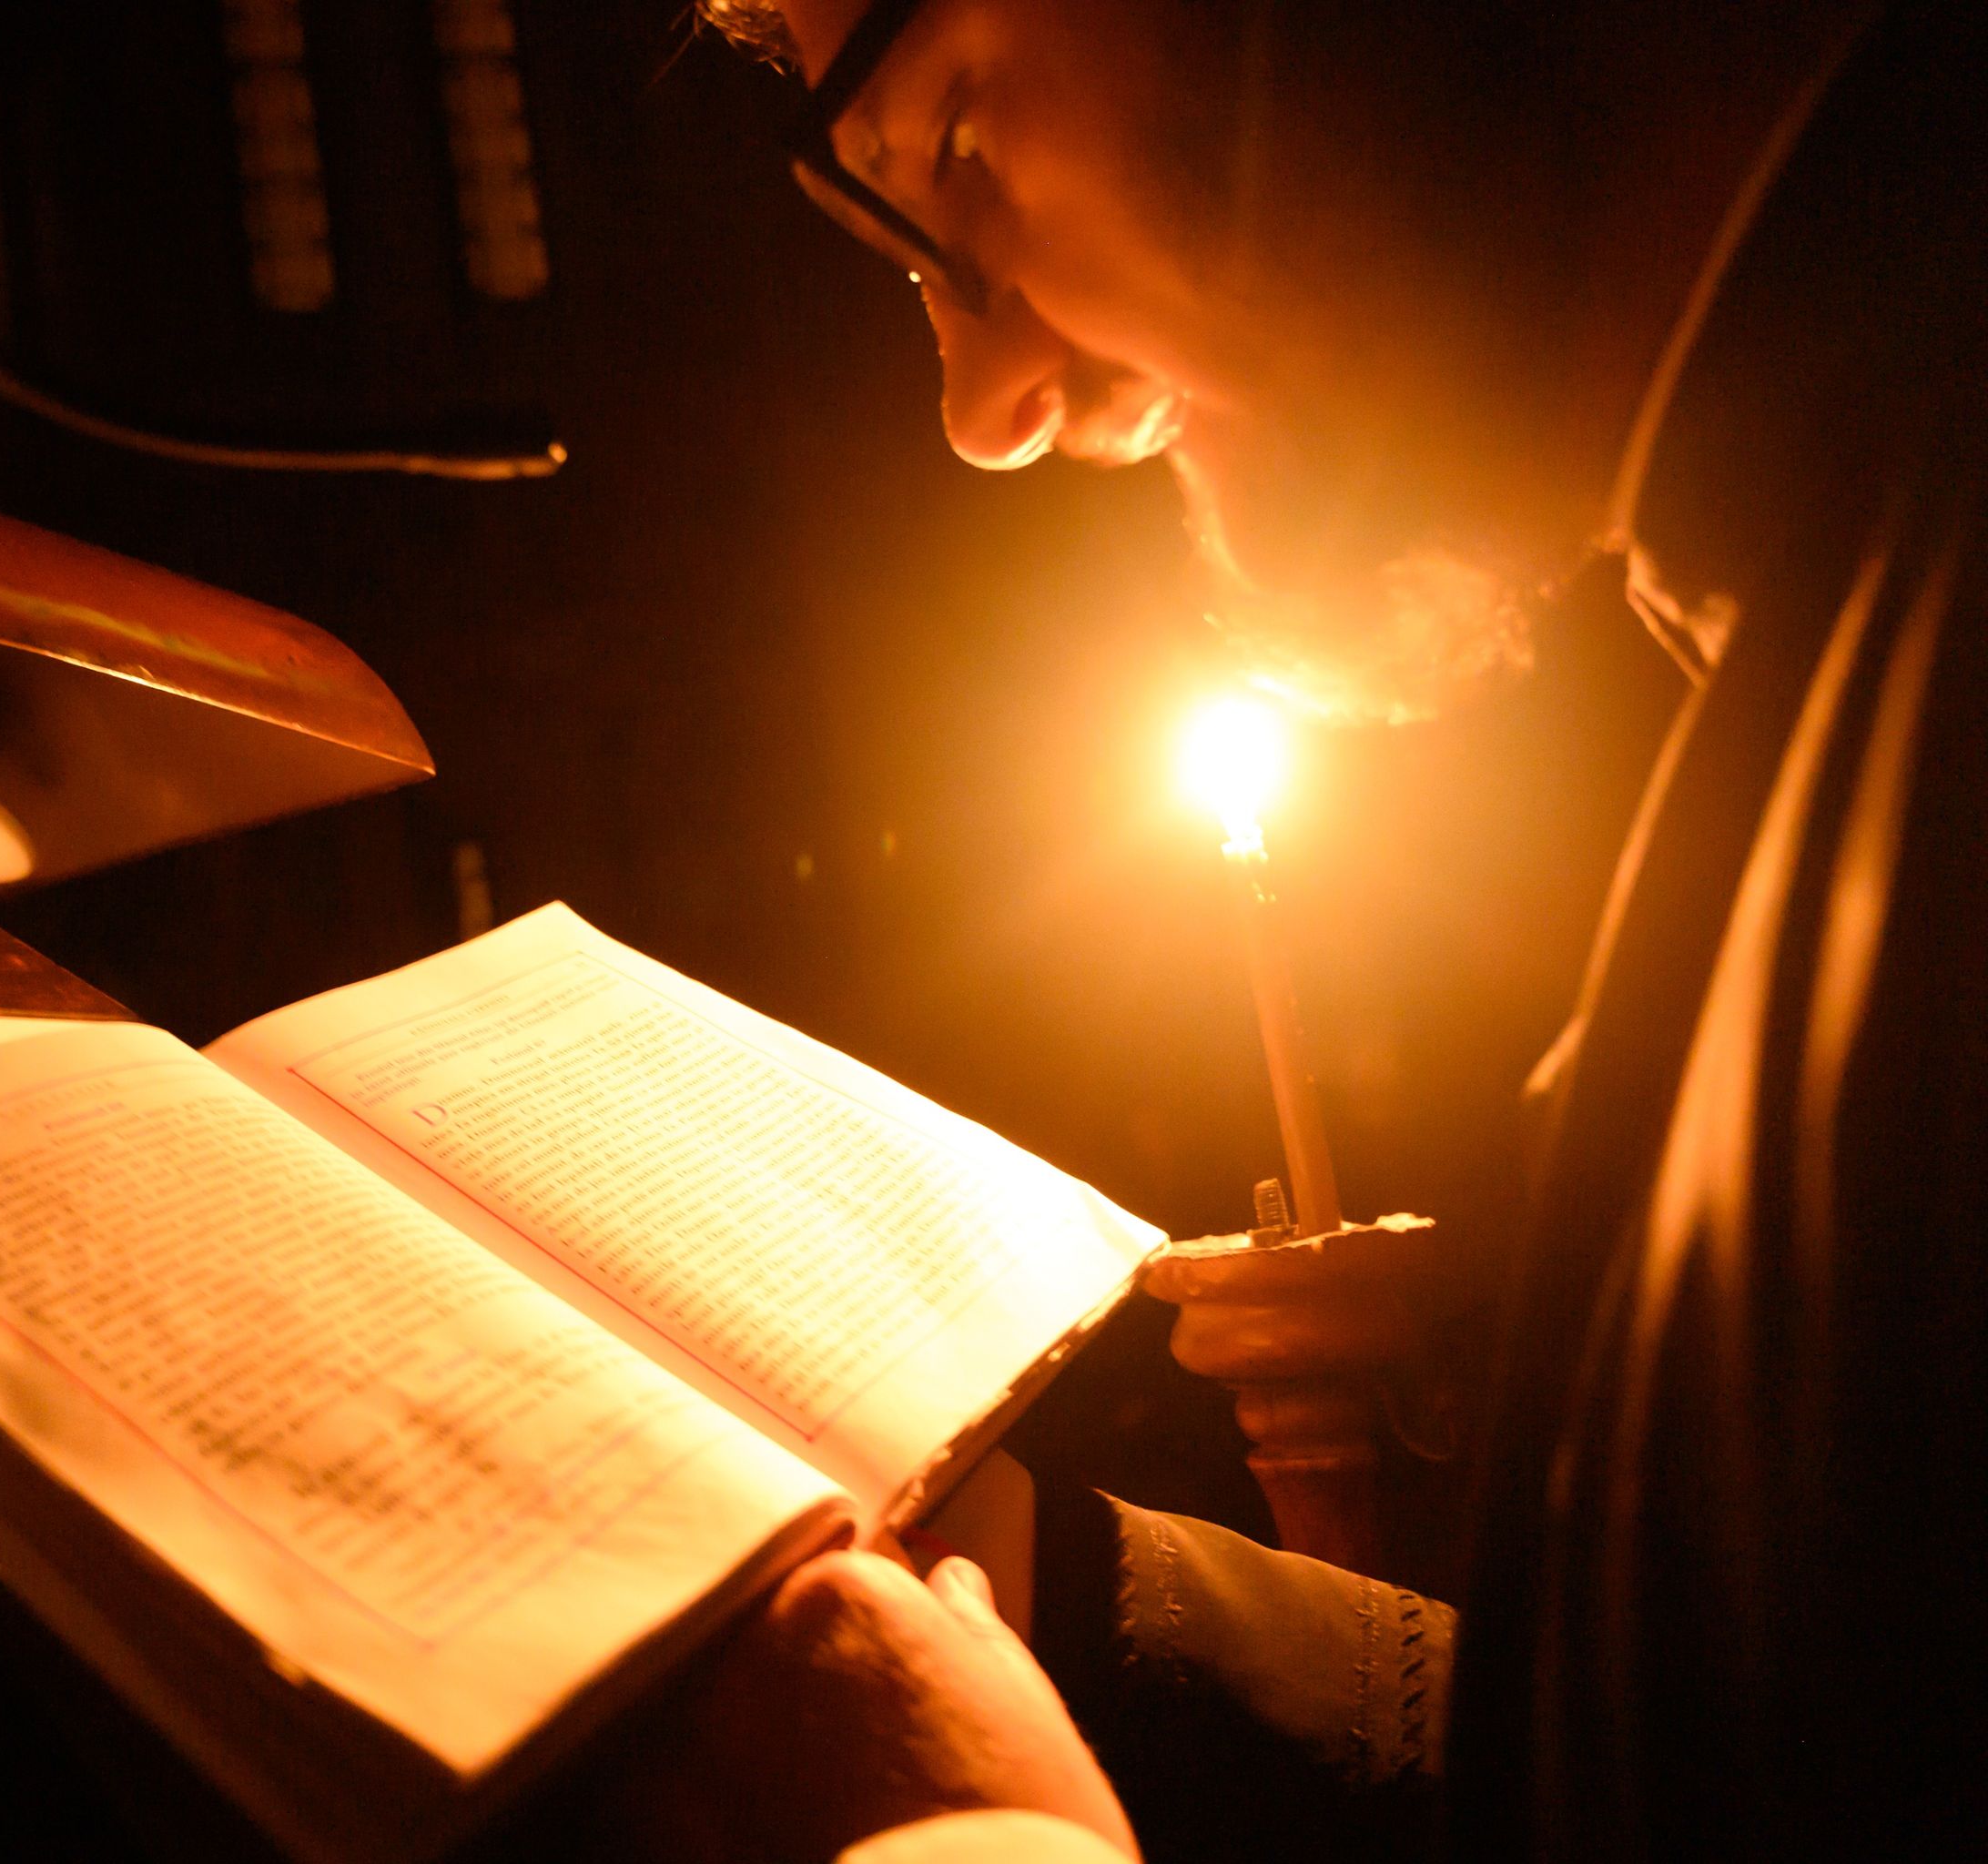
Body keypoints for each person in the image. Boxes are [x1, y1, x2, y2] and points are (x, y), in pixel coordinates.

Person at [648, 1, 1988, 1859]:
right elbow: (1742, 1731)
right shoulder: (1837, 582)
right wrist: (1072, 1608)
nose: (987, 408)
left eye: (956, 142)